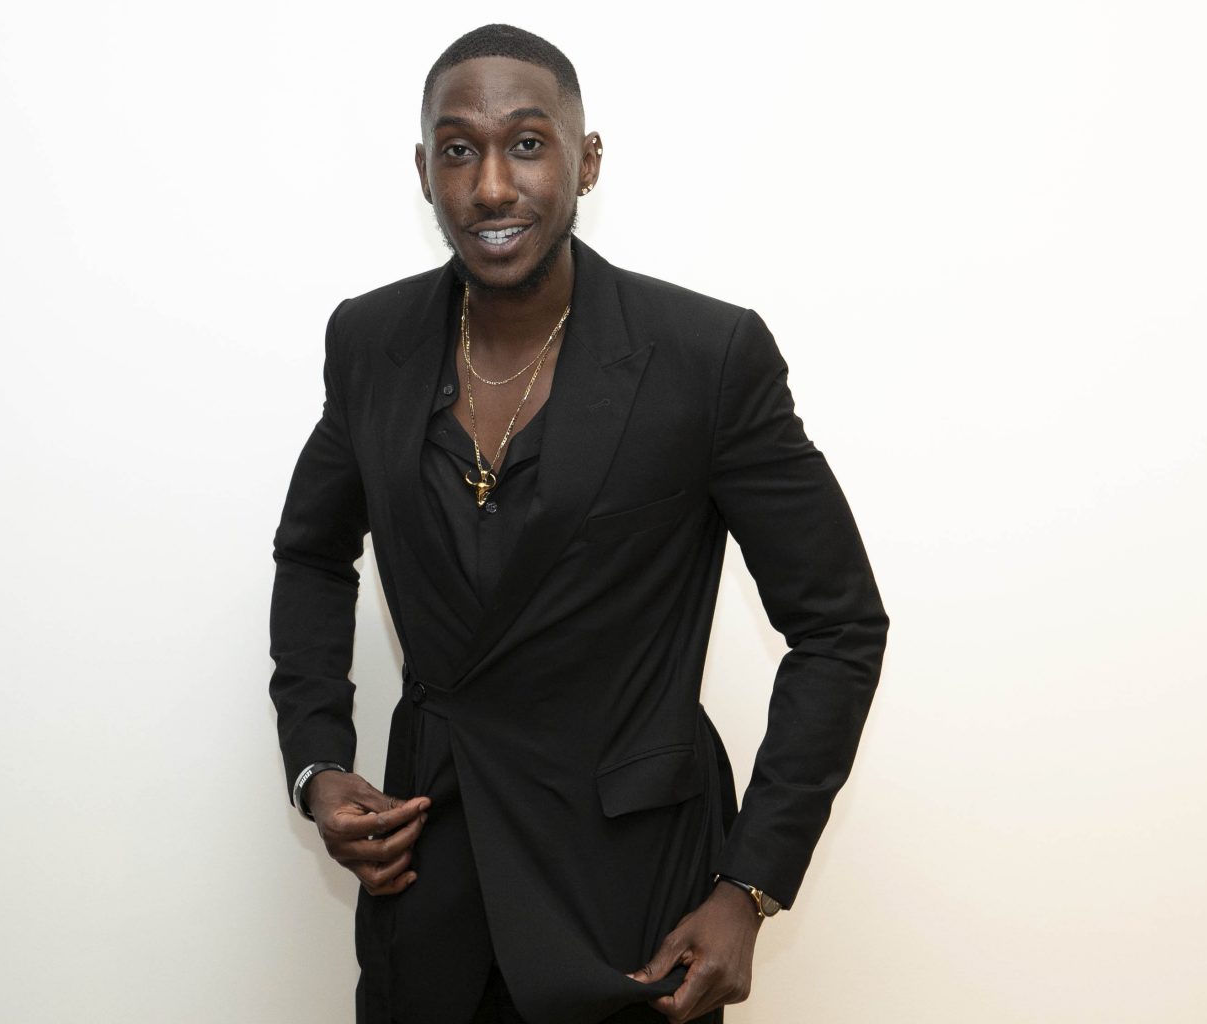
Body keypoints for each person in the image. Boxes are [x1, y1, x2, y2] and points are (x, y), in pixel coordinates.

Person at [269, 24, 888, 1024]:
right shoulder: (370, 340)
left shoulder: (708, 356)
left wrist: (751, 886)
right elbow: (311, 552)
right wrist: (318, 762)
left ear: (586, 159)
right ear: (424, 173)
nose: (492, 186)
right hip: (427, 890)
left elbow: (840, 626)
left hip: (634, 911)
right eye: (458, 150)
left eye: (527, 143)